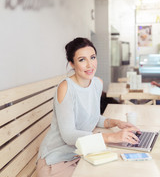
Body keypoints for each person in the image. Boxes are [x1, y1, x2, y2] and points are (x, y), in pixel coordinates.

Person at [36, 37, 140, 177]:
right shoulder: (66, 87)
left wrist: (118, 123)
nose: (90, 65)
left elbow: (93, 117)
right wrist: (111, 137)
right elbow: (69, 135)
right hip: (56, 159)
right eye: (82, 60)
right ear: (72, 64)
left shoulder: (97, 83)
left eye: (92, 57)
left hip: (82, 153)